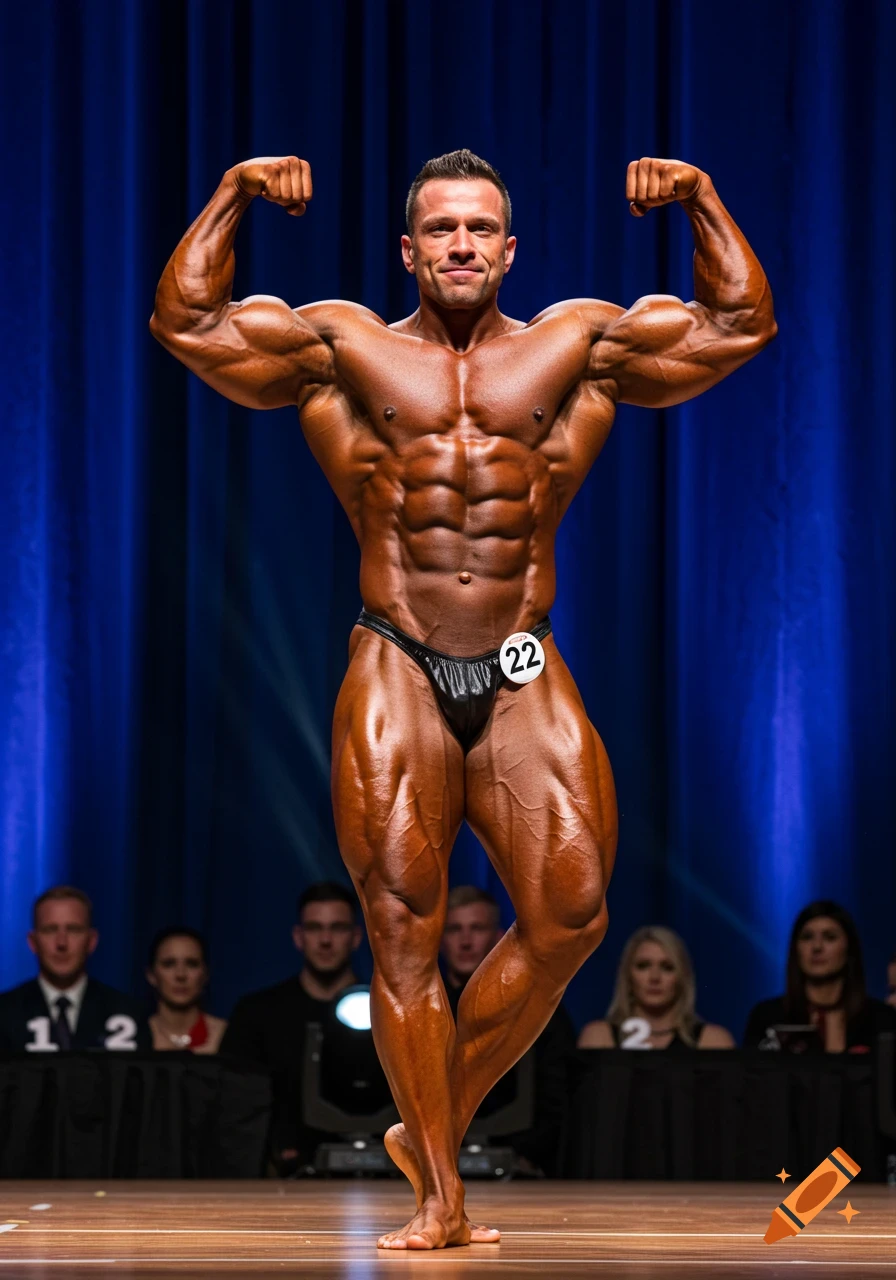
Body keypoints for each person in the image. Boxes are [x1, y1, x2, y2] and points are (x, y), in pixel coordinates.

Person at [152, 146, 775, 1248]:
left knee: (574, 911)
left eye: (478, 228)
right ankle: (441, 1193)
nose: (458, 245)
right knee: (401, 929)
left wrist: (700, 197)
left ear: (508, 246)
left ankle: (428, 1113)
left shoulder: (570, 345)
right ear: (408, 247)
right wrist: (235, 193)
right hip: (395, 654)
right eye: (439, 228)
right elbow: (189, 324)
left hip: (519, 660)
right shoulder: (343, 347)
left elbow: (737, 326)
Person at [219, 881, 363, 1171]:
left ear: (356, 937)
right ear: (298, 937)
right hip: (279, 1178)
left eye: (337, 928)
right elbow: (233, 1106)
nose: (325, 940)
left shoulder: (387, 1015)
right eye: (314, 928)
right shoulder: (257, 1013)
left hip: (379, 1172)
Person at [441, 885, 576, 1175]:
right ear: (440, 939)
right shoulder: (425, 1008)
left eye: (476, 928)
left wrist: (527, 1153)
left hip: (519, 1162)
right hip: (434, 1160)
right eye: (454, 930)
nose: (465, 941)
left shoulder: (537, 1005)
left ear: (498, 937)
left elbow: (556, 1091)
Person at [0, 886, 150, 1053]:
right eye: (50, 930)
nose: (61, 943)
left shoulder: (129, 1014)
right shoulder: (4, 1014)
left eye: (73, 930)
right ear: (33, 942)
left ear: (91, 941)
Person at [744, 900, 896, 1053]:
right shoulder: (767, 1017)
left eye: (830, 937)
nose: (817, 947)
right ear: (796, 949)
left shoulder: (881, 1019)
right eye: (807, 937)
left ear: (849, 948)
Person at [578, 925, 734, 1050]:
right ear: (628, 976)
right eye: (643, 966)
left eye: (667, 967)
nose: (654, 977)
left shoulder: (712, 1041)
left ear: (681, 977)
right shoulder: (599, 1038)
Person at [146, 927, 226, 1053]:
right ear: (151, 975)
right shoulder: (136, 1035)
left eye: (192, 964)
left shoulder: (226, 1035)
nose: (181, 975)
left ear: (205, 974)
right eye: (169, 964)